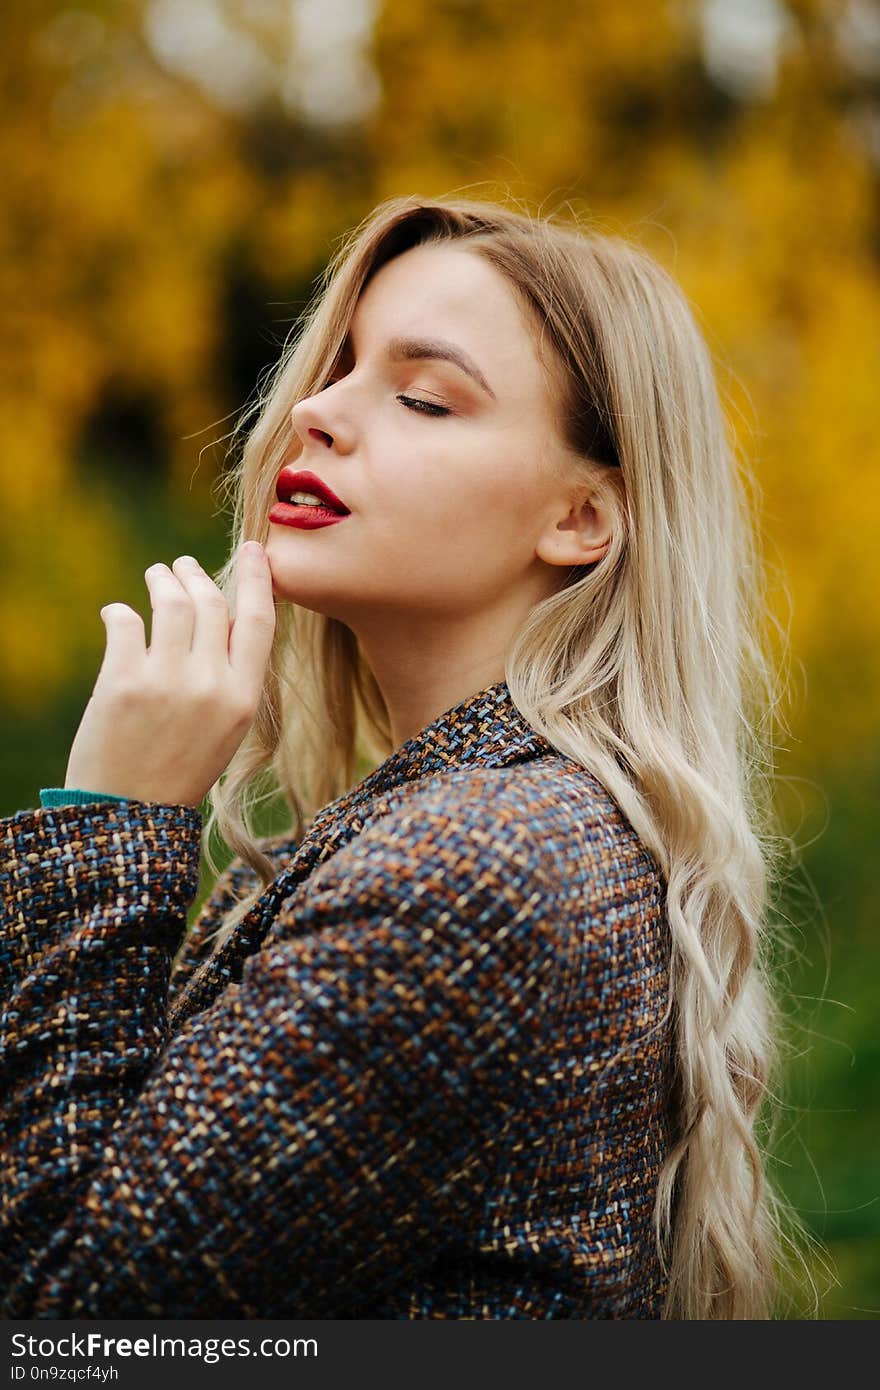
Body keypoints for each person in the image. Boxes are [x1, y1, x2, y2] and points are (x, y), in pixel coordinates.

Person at [0, 194, 809, 1319]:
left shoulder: (476, 871)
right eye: (336, 368)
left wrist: (110, 824)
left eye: (424, 396)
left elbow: (57, 1318)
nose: (319, 412)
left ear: (582, 519)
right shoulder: (473, 832)